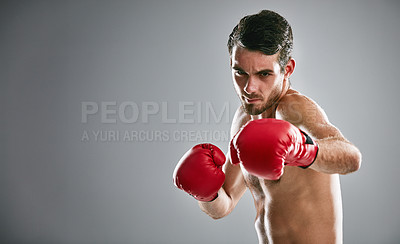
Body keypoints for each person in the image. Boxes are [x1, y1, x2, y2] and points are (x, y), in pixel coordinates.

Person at [173, 10, 361, 243]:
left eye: (264, 74)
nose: (249, 88)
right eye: (240, 72)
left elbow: (352, 158)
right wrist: (206, 192)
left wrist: (302, 150)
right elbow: (224, 204)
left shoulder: (294, 109)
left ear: (287, 69)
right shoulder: (243, 118)